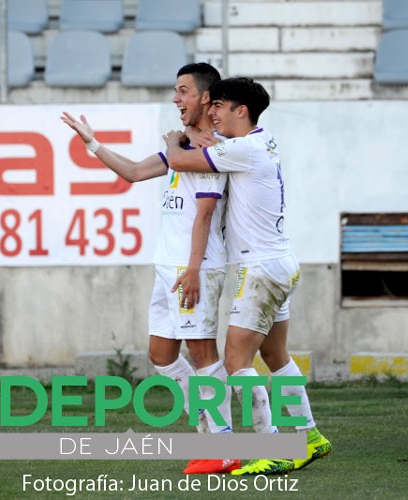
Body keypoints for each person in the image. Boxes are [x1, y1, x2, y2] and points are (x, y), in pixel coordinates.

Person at [61, 63, 239, 475]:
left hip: (194, 267)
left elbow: (205, 215)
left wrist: (194, 269)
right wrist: (92, 143)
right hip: (167, 266)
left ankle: (226, 445)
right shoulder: (180, 149)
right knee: (160, 355)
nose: (176, 99)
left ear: (206, 98)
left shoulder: (211, 149)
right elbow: (135, 172)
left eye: (183, 91)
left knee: (203, 354)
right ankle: (209, 427)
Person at [164, 77, 331, 476]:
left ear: (242, 111)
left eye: (219, 105)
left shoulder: (242, 149)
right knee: (275, 355)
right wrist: (199, 135)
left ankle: (274, 446)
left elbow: (179, 161)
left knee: (237, 357)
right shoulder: (260, 141)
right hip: (279, 263)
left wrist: (176, 140)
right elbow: (212, 146)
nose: (213, 112)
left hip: (259, 269)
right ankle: (308, 436)